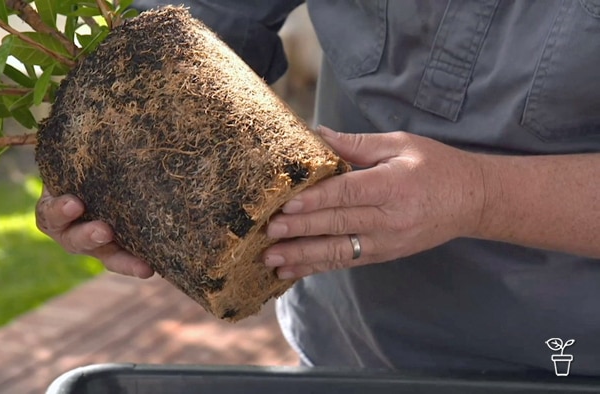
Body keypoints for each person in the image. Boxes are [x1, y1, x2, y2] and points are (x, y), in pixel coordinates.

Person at [36, 0, 600, 375]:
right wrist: (109, 153)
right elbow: (205, 15)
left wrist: (479, 193)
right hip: (344, 349)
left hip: (558, 362)